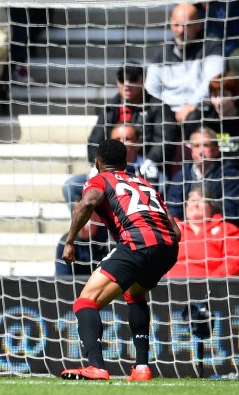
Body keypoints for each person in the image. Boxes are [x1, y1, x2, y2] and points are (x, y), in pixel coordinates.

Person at [60, 138, 180, 381]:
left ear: (97, 162)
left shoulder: (99, 179)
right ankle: (142, 368)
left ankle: (96, 367)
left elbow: (87, 203)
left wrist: (70, 240)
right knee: (135, 294)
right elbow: (175, 231)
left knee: (85, 302)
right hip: (169, 248)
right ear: (125, 163)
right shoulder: (144, 184)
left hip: (137, 243)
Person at [66, 65, 178, 201]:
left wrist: (149, 162)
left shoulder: (159, 108)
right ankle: (87, 223)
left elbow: (167, 141)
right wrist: (99, 165)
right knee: (71, 186)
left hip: (144, 171)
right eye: (122, 80)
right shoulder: (110, 108)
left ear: (143, 81)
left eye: (132, 80)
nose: (127, 85)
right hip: (110, 171)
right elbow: (94, 141)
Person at [144, 3, 225, 123]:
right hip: (167, 112)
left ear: (198, 25)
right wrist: (166, 111)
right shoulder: (162, 52)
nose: (181, 31)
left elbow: (214, 81)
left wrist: (191, 105)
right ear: (171, 24)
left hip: (199, 110)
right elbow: (151, 88)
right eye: (177, 25)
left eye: (187, 25)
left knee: (192, 119)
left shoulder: (211, 46)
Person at [165, 127, 239, 222]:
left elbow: (231, 211)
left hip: (217, 229)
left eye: (206, 145)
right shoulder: (181, 176)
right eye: (196, 146)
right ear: (191, 150)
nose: (201, 151)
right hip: (188, 230)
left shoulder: (230, 175)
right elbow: (173, 209)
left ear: (216, 149)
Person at [166, 187, 239, 278]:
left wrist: (211, 283)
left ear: (211, 207)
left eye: (201, 201)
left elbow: (234, 262)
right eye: (192, 200)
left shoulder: (226, 229)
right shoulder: (171, 230)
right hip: (170, 287)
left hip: (212, 289)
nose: (195, 204)